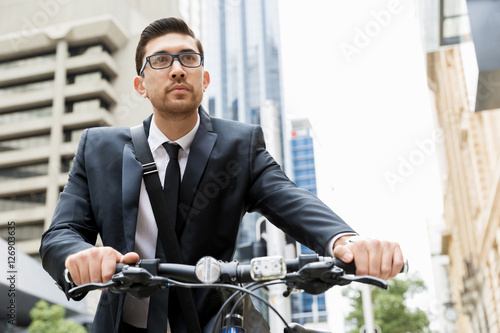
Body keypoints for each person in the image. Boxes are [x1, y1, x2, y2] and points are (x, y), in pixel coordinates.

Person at [40, 17, 404, 333]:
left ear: (205, 77)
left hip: (209, 324)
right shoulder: (98, 149)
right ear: (141, 85)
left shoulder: (239, 146)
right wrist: (80, 255)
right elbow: (60, 234)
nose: (177, 68)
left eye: (188, 58)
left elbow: (288, 197)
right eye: (161, 60)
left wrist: (344, 240)